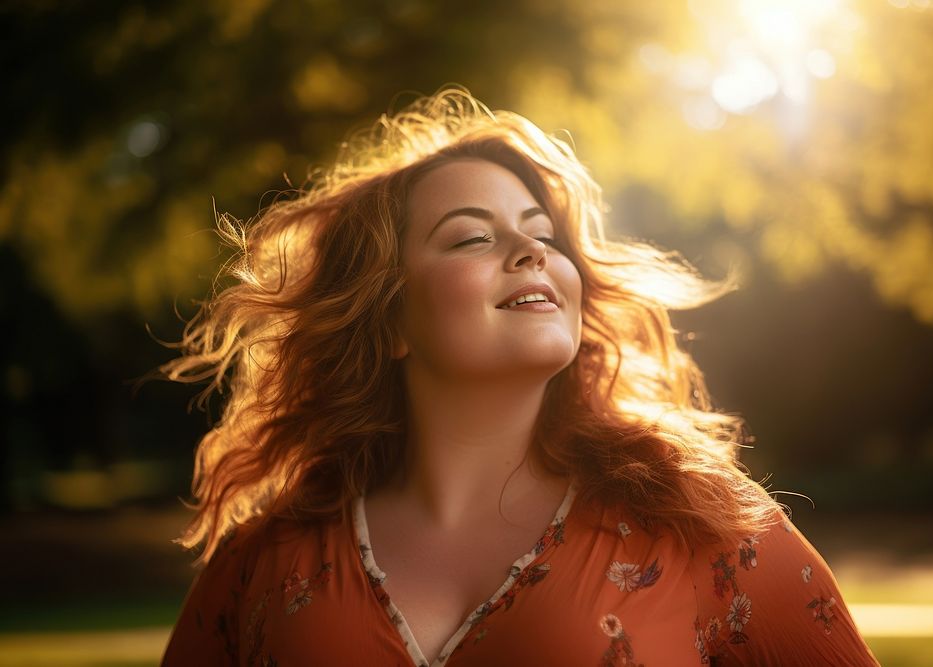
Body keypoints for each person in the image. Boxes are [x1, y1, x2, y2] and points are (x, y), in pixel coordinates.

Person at [159, 88, 879, 666]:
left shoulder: (705, 526)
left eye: (544, 234)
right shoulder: (263, 562)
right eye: (473, 236)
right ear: (390, 322)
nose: (531, 251)